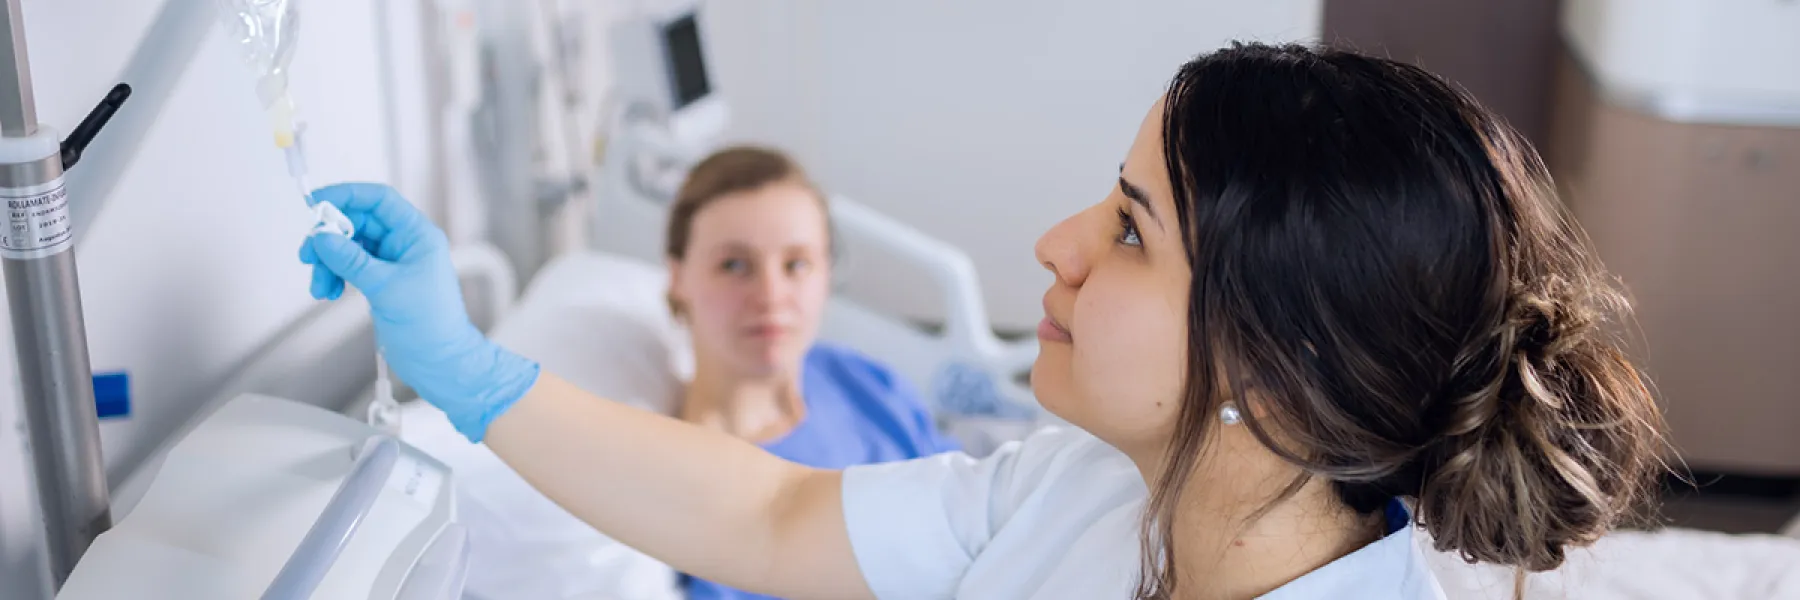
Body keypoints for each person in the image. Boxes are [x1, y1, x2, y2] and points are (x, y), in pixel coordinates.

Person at [299, 43, 1667, 599]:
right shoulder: (1091, 492)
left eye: (1130, 230)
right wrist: (472, 372)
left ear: (1273, 371)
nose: (1057, 244)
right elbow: (769, 515)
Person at [663, 146, 960, 598]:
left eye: (796, 264)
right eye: (734, 265)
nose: (771, 295)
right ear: (678, 277)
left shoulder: (865, 383)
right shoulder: (677, 484)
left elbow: (973, 520)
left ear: (826, 275)